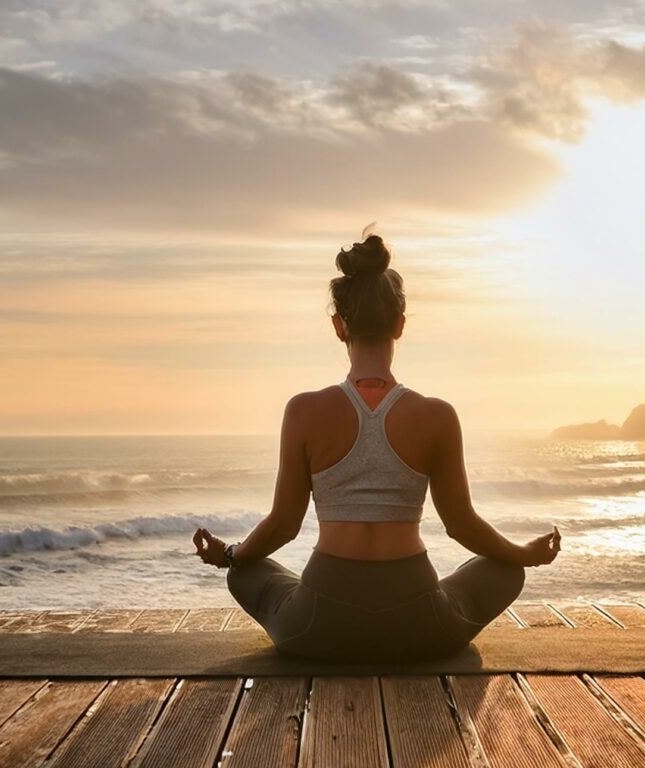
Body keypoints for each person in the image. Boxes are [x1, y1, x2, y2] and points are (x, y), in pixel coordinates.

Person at [191, 226, 560, 662]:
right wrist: (524, 555)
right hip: (418, 625)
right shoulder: (437, 415)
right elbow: (462, 525)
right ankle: (436, 606)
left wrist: (230, 554)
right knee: (505, 569)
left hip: (320, 625)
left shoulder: (303, 411)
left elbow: (283, 526)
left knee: (244, 573)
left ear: (337, 326)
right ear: (400, 325)